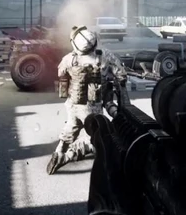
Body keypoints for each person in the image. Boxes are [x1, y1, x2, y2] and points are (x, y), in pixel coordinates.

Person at [46, 25, 127, 175]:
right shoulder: (105, 56)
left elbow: (61, 73)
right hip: (93, 107)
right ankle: (86, 157)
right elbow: (121, 75)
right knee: (98, 136)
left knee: (70, 129)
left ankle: (58, 154)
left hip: (73, 104)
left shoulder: (69, 58)